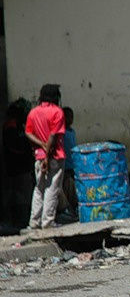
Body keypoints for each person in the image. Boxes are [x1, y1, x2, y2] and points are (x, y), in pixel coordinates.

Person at [24, 84, 66, 229]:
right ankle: (48, 221)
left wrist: (40, 145)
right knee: (52, 188)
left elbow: (28, 133)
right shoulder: (57, 112)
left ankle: (34, 222)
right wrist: (47, 155)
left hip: (38, 156)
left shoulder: (33, 112)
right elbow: (53, 136)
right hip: (54, 156)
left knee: (39, 188)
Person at [3, 100, 34, 227]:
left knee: (23, 194)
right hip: (17, 167)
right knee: (20, 195)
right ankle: (19, 220)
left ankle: (22, 219)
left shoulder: (18, 125)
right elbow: (14, 145)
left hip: (21, 167)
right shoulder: (11, 126)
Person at [60, 107, 78, 215]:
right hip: (64, 165)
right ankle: (66, 209)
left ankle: (73, 207)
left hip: (72, 165)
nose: (70, 119)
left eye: (72, 117)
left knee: (71, 186)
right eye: (68, 117)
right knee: (66, 186)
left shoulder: (72, 132)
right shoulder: (61, 133)